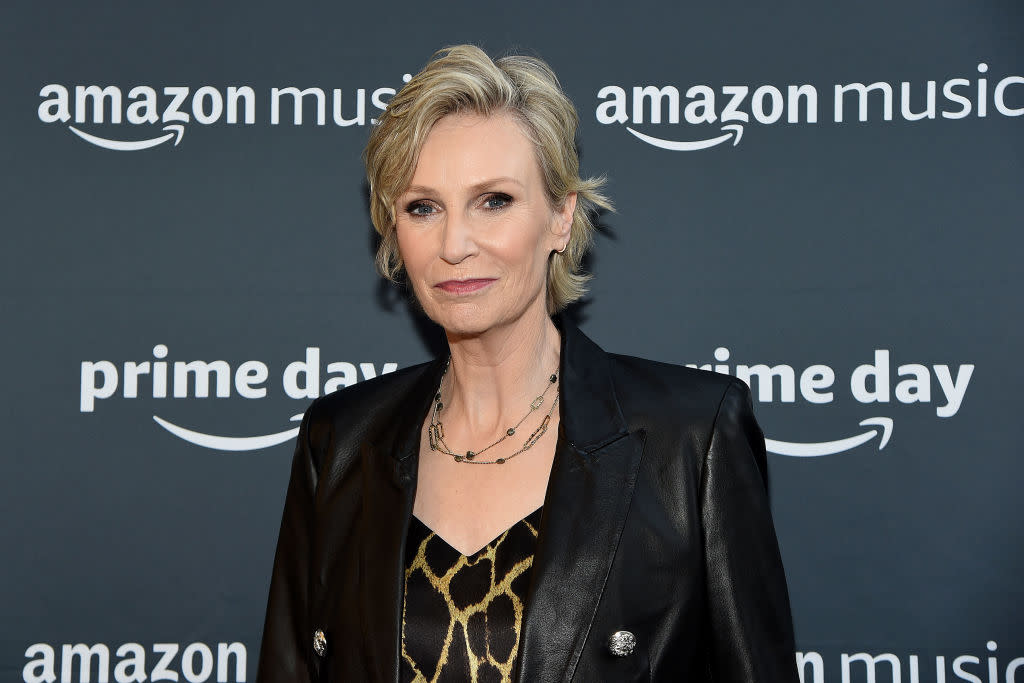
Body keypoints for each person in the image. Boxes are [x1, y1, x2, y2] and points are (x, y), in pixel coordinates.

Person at [255, 44, 799, 683]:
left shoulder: (690, 438)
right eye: (422, 207)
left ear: (561, 218)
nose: (455, 244)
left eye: (494, 201)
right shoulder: (341, 439)